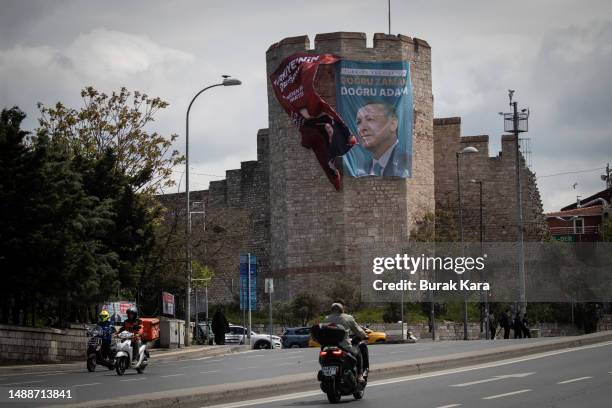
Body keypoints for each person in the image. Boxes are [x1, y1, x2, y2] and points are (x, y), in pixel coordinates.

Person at [355, 102, 409, 177]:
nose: (362, 128)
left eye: (370, 119)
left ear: (393, 124)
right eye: (358, 122)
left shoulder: (408, 162)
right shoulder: (362, 169)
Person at [323, 300, 368, 383]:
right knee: (358, 353)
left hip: (328, 347)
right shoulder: (348, 317)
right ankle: (360, 375)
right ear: (342, 309)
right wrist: (364, 335)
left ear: (332, 309)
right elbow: (358, 331)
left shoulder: (326, 318)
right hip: (344, 347)